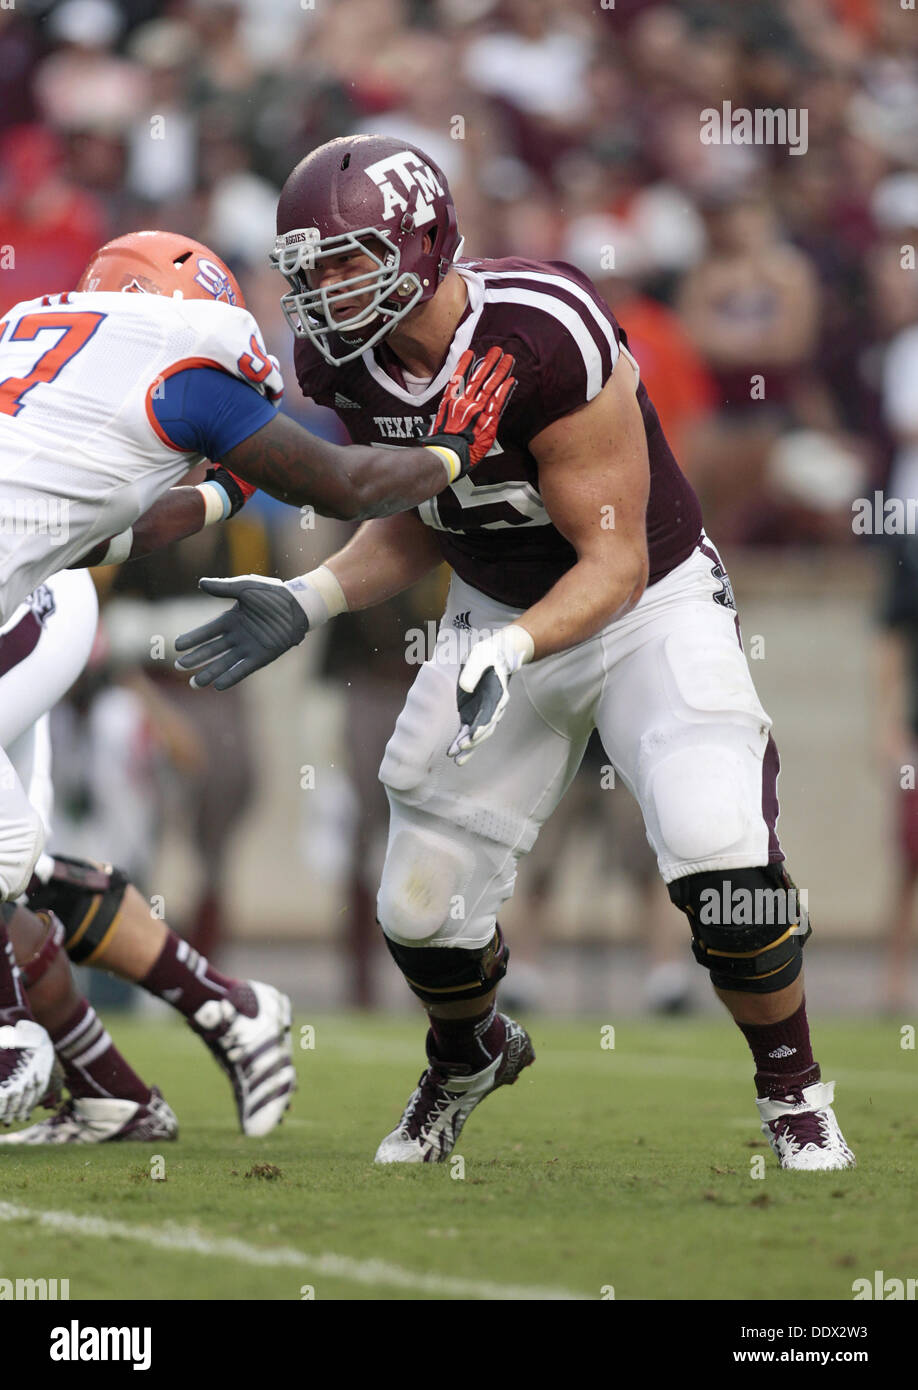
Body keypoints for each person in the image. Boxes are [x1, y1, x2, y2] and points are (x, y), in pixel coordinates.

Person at [175, 134, 855, 1172]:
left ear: (424, 240)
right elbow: (422, 509)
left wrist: (515, 643)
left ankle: (794, 1088)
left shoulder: (544, 327)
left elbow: (615, 557)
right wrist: (310, 595)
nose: (324, 287)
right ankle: (468, 1055)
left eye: (349, 258)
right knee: (420, 906)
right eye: (310, 267)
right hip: (493, 606)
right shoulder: (339, 356)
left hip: (645, 606)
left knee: (723, 854)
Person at [0, 226, 514, 1125]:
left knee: (15, 862)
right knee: (19, 864)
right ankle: (116, 1068)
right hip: (43, 598)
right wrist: (453, 450)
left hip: (36, 608)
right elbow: (339, 487)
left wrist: (240, 481)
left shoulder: (43, 332)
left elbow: (103, 521)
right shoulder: (181, 364)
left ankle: (22, 1042)